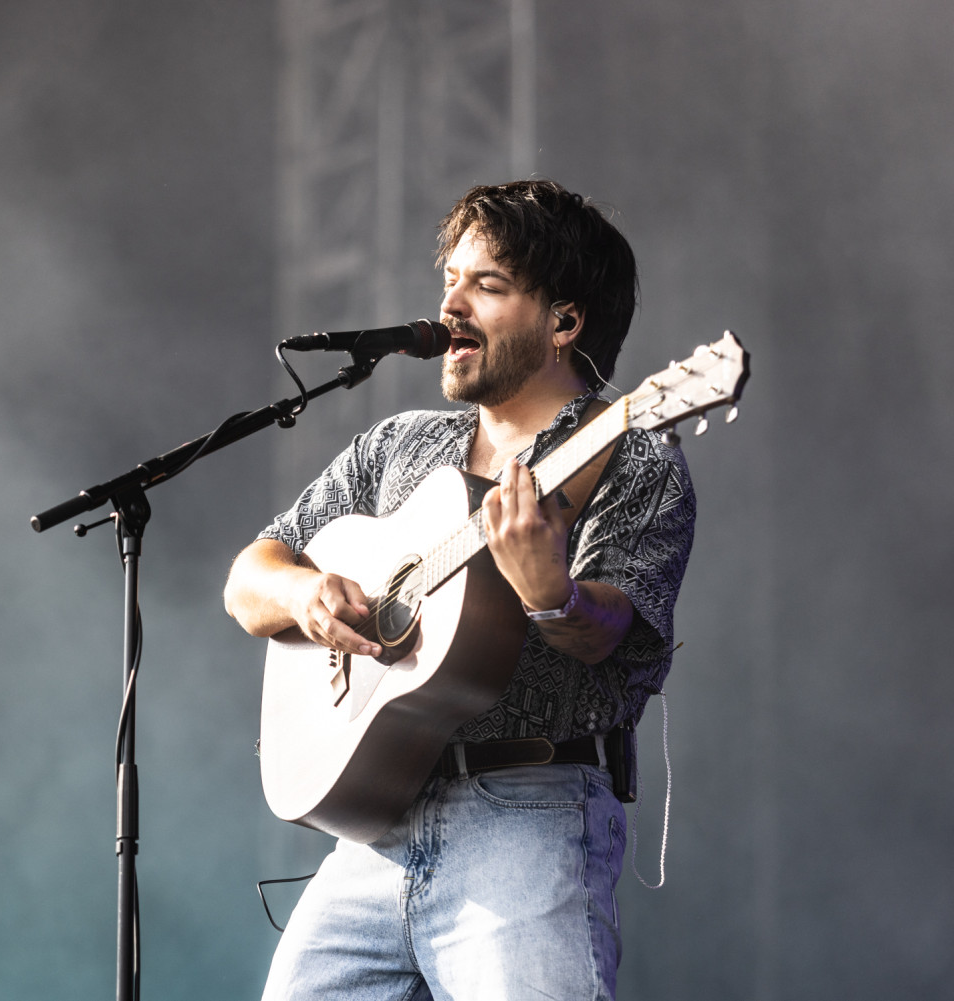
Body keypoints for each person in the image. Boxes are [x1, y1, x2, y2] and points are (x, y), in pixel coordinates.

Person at [224, 179, 696, 1000]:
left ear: (565, 321)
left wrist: (554, 596)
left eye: (487, 285)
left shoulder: (632, 453)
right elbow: (249, 576)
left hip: (529, 821)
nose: (449, 306)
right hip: (374, 830)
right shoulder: (399, 444)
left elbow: (608, 628)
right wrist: (307, 597)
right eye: (450, 277)